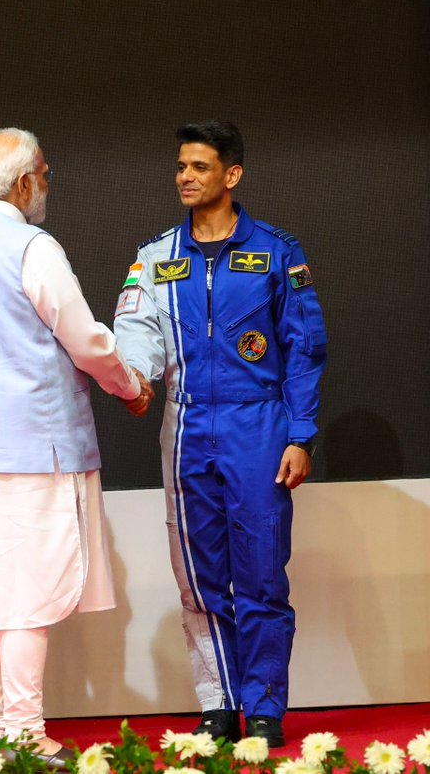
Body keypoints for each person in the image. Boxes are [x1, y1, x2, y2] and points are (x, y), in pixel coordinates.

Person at [0, 128, 148, 766]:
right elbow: (85, 338)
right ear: (24, 183)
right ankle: (20, 728)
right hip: (36, 448)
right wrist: (129, 385)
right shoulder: (32, 244)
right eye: (43, 173)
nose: (46, 184)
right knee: (27, 594)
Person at [114, 121, 327, 748]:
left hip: (258, 424)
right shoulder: (155, 255)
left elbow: (306, 349)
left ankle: (263, 707)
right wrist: (135, 380)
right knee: (200, 577)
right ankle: (219, 702)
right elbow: (137, 332)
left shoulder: (278, 252)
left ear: (231, 176)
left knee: (261, 575)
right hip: (183, 425)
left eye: (199, 167)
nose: (185, 177)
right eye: (181, 166)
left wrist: (301, 434)